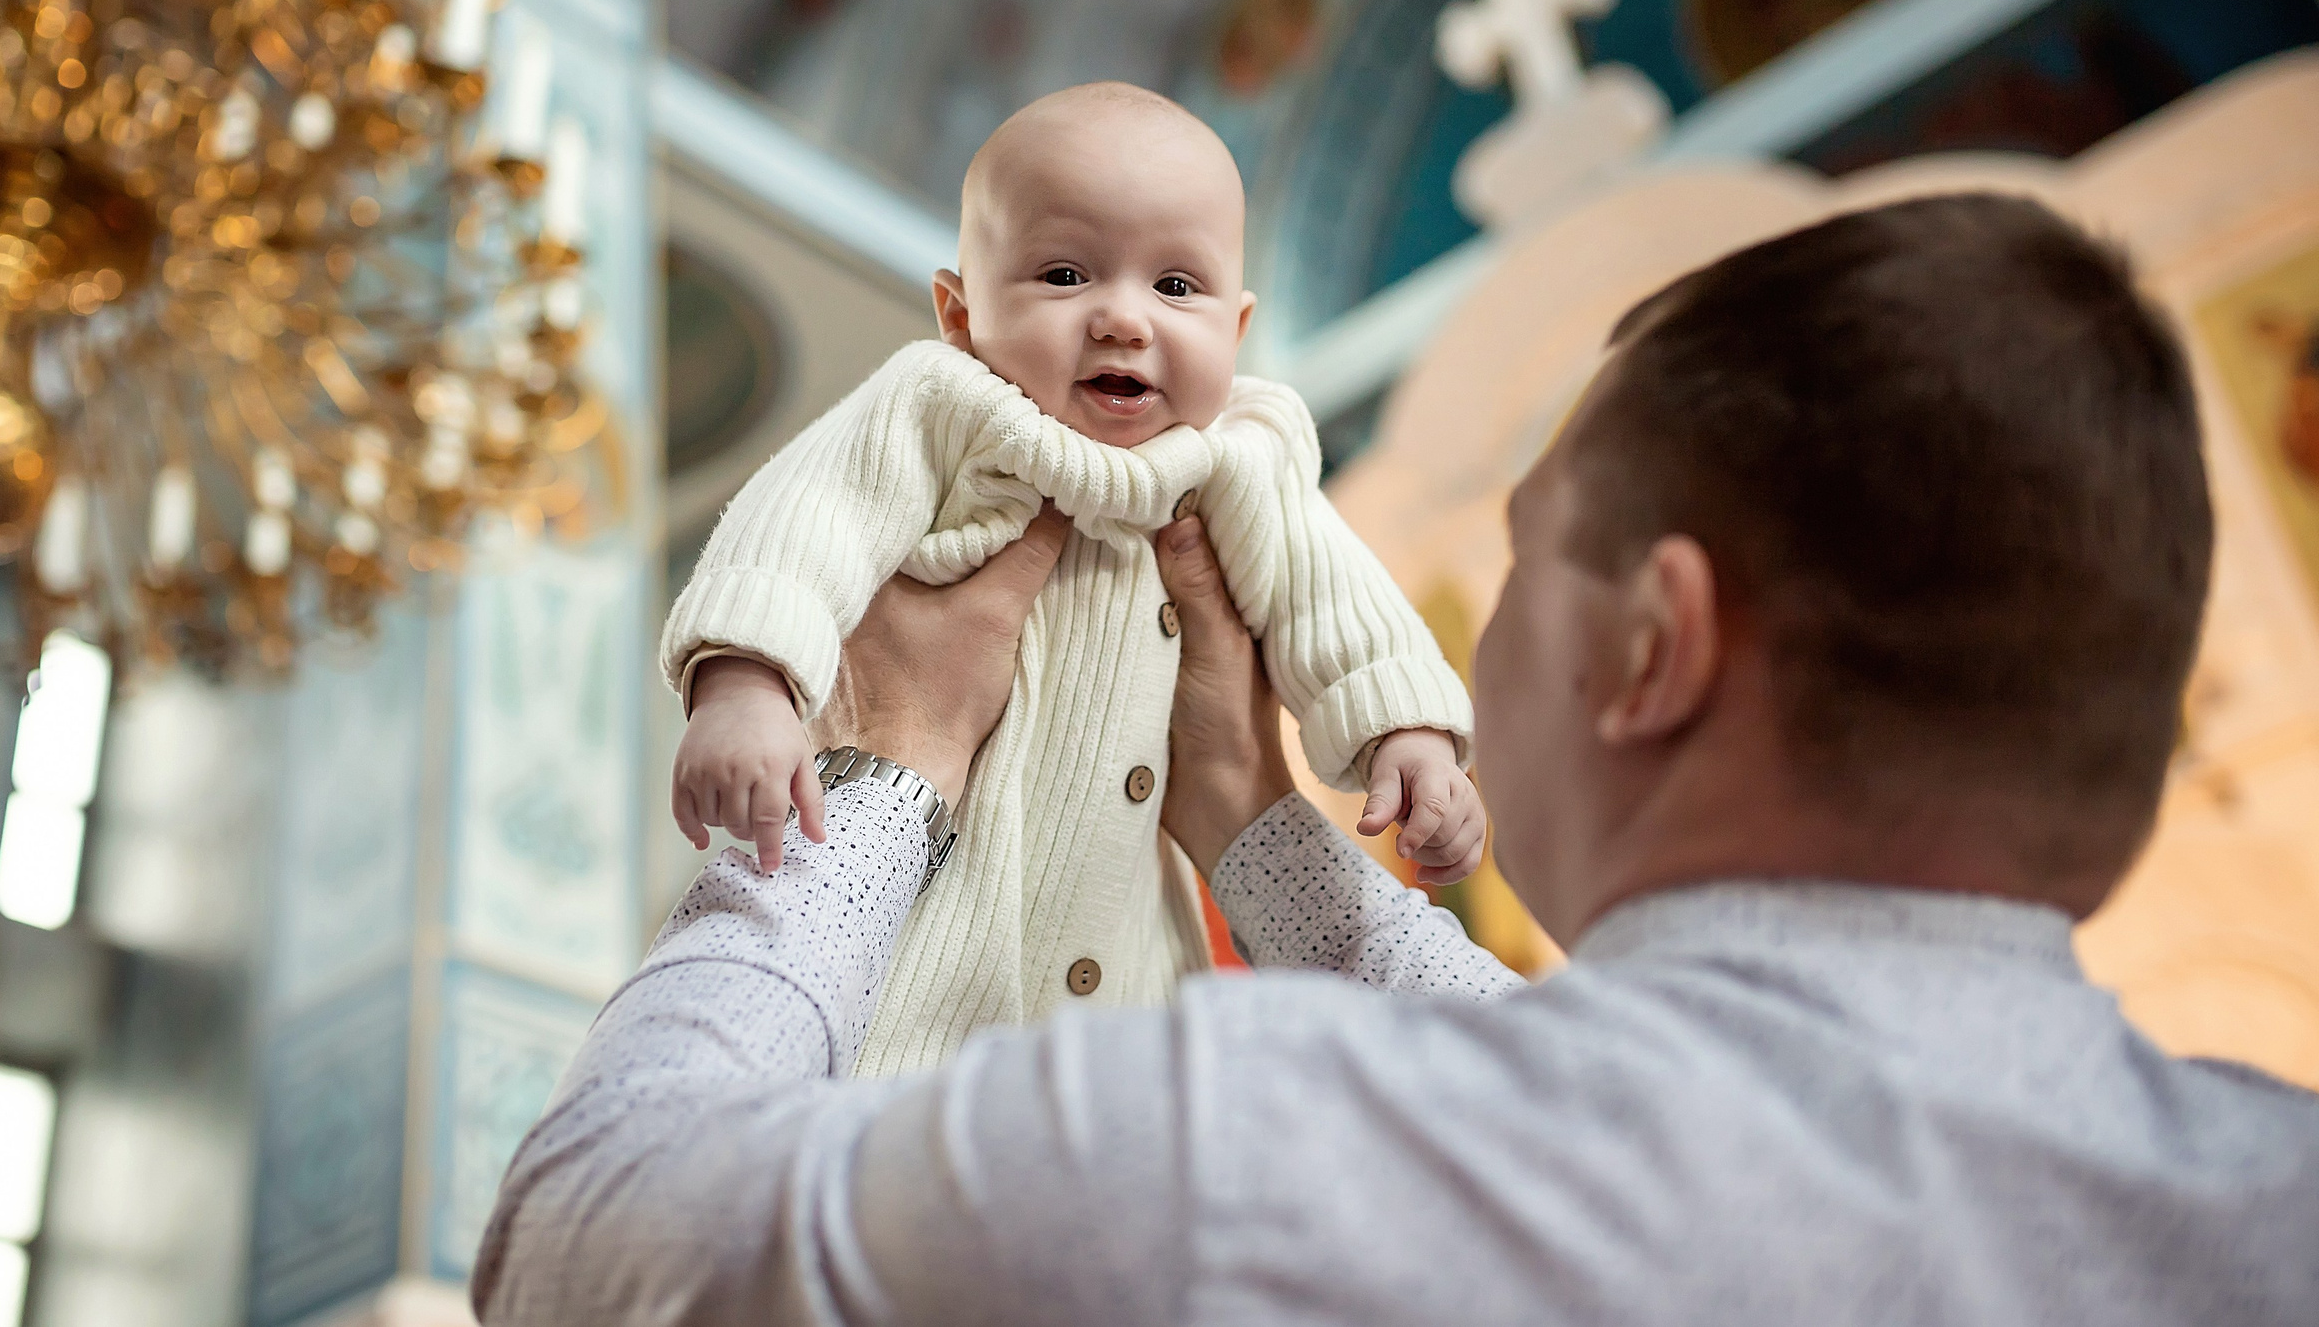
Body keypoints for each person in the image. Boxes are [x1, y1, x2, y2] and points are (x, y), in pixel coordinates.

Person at [475, 193, 2319, 1324]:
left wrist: (885, 777)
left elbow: (587, 1256)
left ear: (1648, 647)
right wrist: (1256, 830)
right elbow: (1593, 1074)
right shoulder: (2273, 1204)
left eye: (1528, 558)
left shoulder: (1241, 1148)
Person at [663, 81, 1478, 1074]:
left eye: (1177, 286)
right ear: (959, 313)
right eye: (1063, 273)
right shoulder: (940, 406)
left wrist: (1410, 732)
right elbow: (803, 521)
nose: (1124, 319)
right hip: (913, 963)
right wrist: (746, 685)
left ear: (1239, 324)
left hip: (1129, 982)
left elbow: (1339, 596)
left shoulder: (1244, 455)